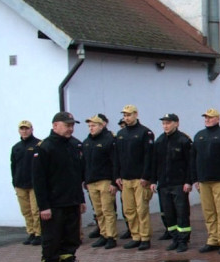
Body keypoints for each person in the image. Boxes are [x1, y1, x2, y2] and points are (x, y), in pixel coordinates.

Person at [31, 112, 87, 262]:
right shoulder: (45, 147)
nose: (70, 128)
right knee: (52, 242)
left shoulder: (74, 145)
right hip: (53, 205)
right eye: (67, 125)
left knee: (71, 240)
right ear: (55, 126)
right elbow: (39, 180)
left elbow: (77, 176)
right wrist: (43, 206)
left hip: (71, 202)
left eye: (72, 125)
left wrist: (80, 199)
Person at [191, 108, 220, 254]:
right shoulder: (199, 136)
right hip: (204, 181)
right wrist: (195, 179)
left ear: (217, 119)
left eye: (210, 117)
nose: (207, 119)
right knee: (208, 212)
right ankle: (213, 239)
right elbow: (194, 159)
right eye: (205, 117)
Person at [114, 104, 155, 250]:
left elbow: (148, 156)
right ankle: (135, 236)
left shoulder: (145, 133)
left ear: (136, 114)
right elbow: (117, 156)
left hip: (140, 179)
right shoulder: (121, 134)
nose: (126, 117)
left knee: (141, 209)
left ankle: (144, 237)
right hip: (125, 179)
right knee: (129, 210)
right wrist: (117, 175)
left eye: (129, 115)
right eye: (124, 115)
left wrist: (146, 176)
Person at [152, 113, 194, 252]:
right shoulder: (160, 141)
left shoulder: (183, 140)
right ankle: (175, 238)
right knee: (168, 214)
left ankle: (183, 241)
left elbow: (190, 163)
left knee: (181, 213)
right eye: (163, 123)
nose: (165, 126)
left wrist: (188, 181)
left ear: (176, 123)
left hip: (179, 184)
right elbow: (155, 163)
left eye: (168, 123)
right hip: (164, 184)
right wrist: (153, 181)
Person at [83, 115, 119, 249]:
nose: (90, 128)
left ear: (101, 126)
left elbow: (115, 162)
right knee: (98, 211)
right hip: (91, 181)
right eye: (89, 126)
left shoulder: (109, 140)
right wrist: (85, 179)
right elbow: (84, 163)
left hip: (105, 180)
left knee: (107, 210)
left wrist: (114, 182)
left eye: (93, 125)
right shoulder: (87, 141)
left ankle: (111, 236)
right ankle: (103, 234)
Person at [11, 120, 42, 246]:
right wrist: (14, 181)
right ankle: (31, 233)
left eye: (27, 129)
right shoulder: (16, 147)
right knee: (26, 211)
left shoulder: (38, 145)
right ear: (19, 130)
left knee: (36, 211)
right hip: (20, 184)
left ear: (32, 129)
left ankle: (39, 234)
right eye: (22, 129)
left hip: (34, 184)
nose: (24, 131)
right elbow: (13, 166)